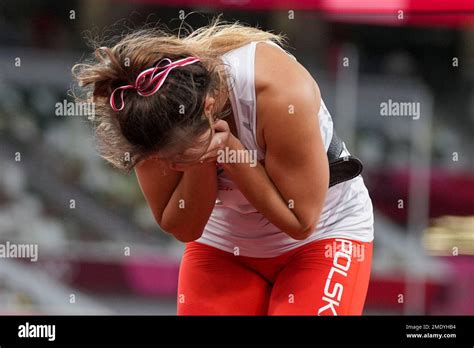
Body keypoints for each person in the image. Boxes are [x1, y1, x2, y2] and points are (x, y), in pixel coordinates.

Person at [73, 18, 374, 315]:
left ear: (208, 108)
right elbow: (183, 227)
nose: (168, 165)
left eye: (177, 155)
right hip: (226, 242)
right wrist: (200, 162)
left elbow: (300, 222)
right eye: (162, 157)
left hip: (322, 234)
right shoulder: (147, 113)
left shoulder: (280, 93)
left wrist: (231, 152)